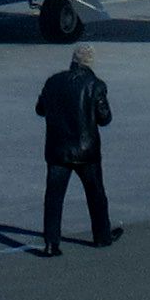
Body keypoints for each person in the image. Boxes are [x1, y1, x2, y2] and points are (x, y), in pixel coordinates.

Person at [32, 43, 118, 255]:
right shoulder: (96, 85)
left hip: (57, 149)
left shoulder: (53, 82)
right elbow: (104, 118)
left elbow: (40, 109)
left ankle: (51, 243)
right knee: (96, 193)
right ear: (90, 63)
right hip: (86, 151)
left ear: (73, 61)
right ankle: (102, 236)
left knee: (53, 197)